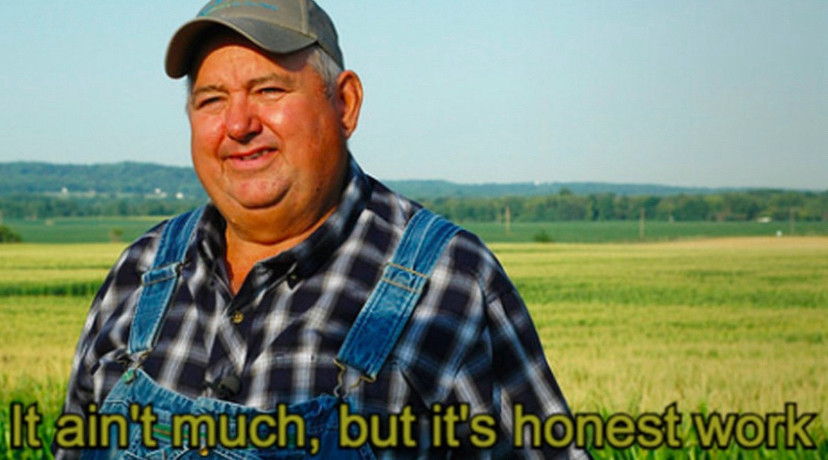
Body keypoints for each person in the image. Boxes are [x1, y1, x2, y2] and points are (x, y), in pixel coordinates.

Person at [55, 1, 588, 458]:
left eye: (267, 90)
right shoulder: (141, 272)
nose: (238, 125)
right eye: (211, 99)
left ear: (345, 103)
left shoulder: (449, 282)